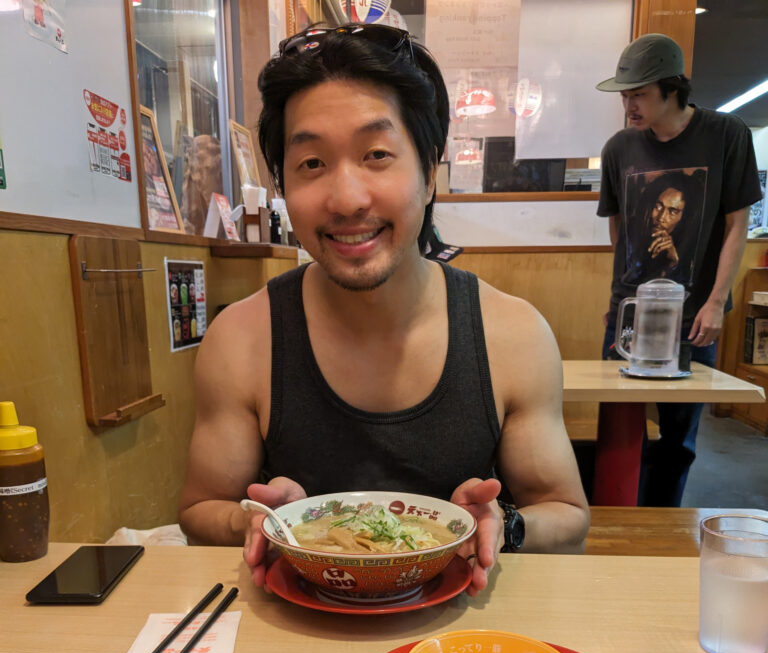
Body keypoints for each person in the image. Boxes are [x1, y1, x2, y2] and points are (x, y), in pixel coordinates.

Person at [178, 23, 589, 594]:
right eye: (312, 164)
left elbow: (568, 516)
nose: (346, 199)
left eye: (376, 154)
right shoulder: (242, 338)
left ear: (429, 172)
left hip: (455, 650)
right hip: (294, 639)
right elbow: (200, 510)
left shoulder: (512, 334)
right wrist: (253, 520)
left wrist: (504, 524)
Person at [596, 33, 762, 506]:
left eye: (640, 93)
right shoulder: (619, 148)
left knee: (679, 438)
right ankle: (618, 523)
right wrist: (616, 304)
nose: (629, 104)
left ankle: (662, 527)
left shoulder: (726, 135)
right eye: (625, 94)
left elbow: (737, 227)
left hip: (694, 314)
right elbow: (620, 230)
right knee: (620, 429)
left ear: (673, 89)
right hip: (629, 311)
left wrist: (714, 303)